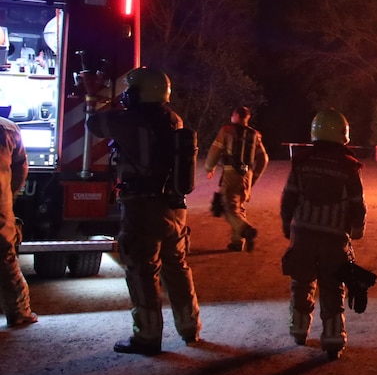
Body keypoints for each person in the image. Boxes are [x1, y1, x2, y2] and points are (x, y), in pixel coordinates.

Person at [87, 66, 201, 355]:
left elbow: (93, 125)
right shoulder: (174, 119)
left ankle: (147, 336)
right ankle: (189, 328)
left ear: (141, 93)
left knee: (142, 269)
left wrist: (95, 95)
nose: (127, 95)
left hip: (142, 206)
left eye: (131, 91)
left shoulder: (130, 122)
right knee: (176, 267)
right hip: (175, 206)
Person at [280, 108, 366, 360]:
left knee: (301, 283)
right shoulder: (349, 167)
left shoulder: (301, 162)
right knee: (332, 287)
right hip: (334, 239)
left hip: (303, 235)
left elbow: (289, 198)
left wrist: (289, 228)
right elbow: (357, 204)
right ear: (343, 135)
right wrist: (357, 231)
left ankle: (298, 330)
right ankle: (332, 340)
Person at [204, 105, 268, 251]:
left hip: (231, 173)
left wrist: (209, 167)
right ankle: (237, 241)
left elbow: (215, 150)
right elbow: (264, 158)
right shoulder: (255, 135)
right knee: (239, 206)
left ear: (236, 116)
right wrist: (254, 176)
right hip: (247, 175)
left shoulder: (226, 130)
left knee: (227, 206)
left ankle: (245, 229)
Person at [0, 115, 36, 328]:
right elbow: (21, 168)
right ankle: (19, 313)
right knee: (4, 256)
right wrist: (9, 196)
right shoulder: (8, 128)